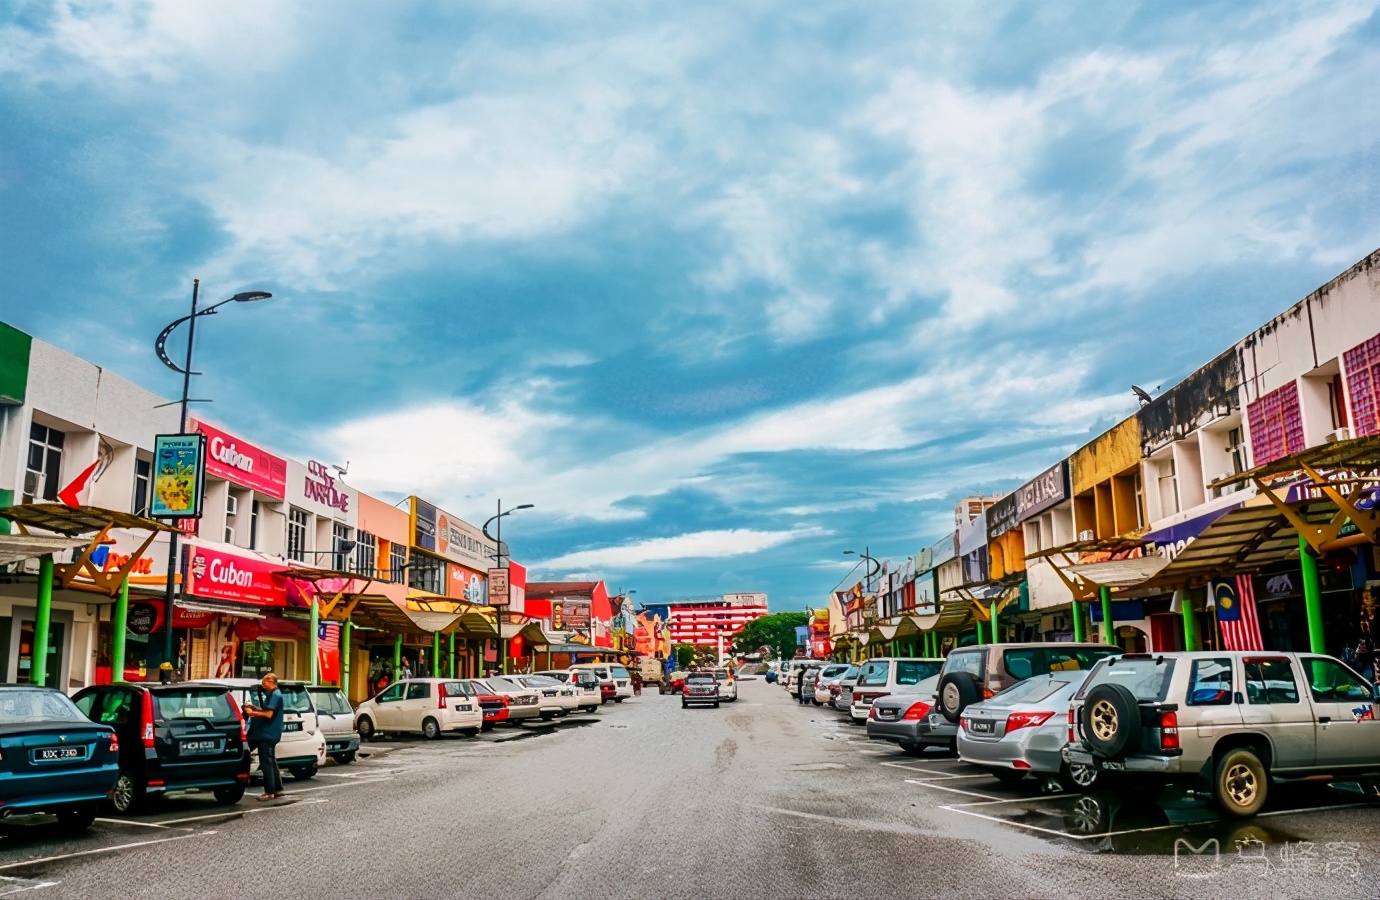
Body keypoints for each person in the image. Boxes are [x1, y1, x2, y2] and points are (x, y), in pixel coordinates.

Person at [243, 673, 286, 801]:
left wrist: (252, 713)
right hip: (268, 733)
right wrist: (255, 708)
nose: (263, 684)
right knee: (271, 760)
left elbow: (268, 714)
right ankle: (278, 789)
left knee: (266, 762)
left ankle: (269, 792)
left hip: (267, 734)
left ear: (271, 681)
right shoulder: (272, 695)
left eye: (264, 682)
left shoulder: (275, 695)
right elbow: (265, 709)